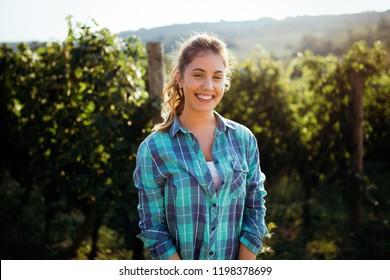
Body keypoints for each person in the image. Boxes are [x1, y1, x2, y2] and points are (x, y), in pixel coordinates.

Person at [133, 33, 267, 260]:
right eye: (198, 75)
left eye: (217, 77)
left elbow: (255, 210)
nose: (208, 86)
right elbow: (153, 227)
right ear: (179, 77)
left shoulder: (244, 140)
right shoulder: (153, 149)